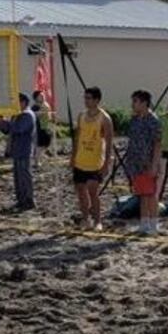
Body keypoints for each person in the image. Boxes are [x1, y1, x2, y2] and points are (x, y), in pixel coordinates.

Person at [71, 86, 113, 231]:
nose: (86, 101)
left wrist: (107, 163)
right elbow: (77, 138)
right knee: (81, 191)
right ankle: (85, 219)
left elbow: (109, 142)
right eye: (85, 98)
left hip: (95, 161)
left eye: (89, 98)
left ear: (97, 100)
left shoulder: (105, 118)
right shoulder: (81, 116)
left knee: (93, 191)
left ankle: (98, 221)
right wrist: (73, 156)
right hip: (80, 160)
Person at [127, 90, 162, 235]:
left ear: (144, 102)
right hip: (136, 163)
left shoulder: (153, 120)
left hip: (148, 162)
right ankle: (144, 222)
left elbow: (158, 144)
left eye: (135, 101)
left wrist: (154, 165)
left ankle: (154, 225)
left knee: (150, 194)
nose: (133, 104)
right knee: (141, 194)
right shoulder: (134, 119)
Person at [0, 93, 36, 211]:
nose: (13, 104)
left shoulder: (27, 115)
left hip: (24, 151)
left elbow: (19, 129)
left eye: (16, 102)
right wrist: (0, 121)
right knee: (18, 178)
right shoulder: (17, 115)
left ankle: (28, 201)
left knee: (24, 177)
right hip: (17, 151)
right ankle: (21, 200)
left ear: (23, 102)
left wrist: (4, 120)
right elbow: (7, 130)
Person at [31, 90, 54, 165]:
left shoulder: (45, 104)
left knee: (47, 142)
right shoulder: (35, 106)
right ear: (36, 98)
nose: (42, 96)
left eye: (43, 95)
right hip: (40, 127)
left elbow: (48, 114)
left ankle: (39, 156)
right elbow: (33, 115)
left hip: (46, 125)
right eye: (40, 96)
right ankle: (36, 161)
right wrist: (40, 113)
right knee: (40, 144)